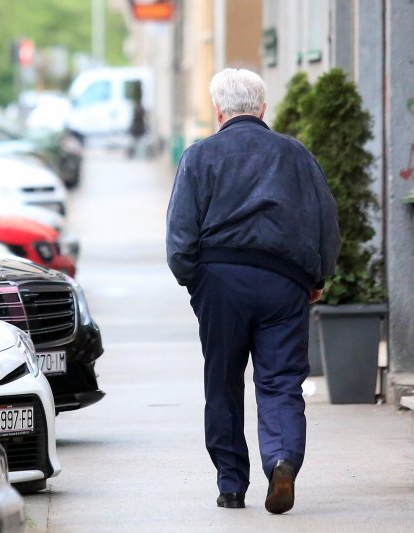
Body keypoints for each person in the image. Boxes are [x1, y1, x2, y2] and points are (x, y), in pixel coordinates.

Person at [165, 68, 340, 514]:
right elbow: (326, 223)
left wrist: (196, 281)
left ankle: (231, 485)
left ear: (218, 110)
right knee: (281, 380)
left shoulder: (199, 156)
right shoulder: (296, 155)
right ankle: (281, 458)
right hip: (284, 282)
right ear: (263, 108)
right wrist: (317, 277)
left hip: (220, 279)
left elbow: (180, 238)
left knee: (223, 380)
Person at [127, 82, 148, 159]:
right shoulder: (137, 107)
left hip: (137, 127)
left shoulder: (137, 107)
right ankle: (134, 155)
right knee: (135, 142)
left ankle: (135, 155)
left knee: (136, 142)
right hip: (137, 127)